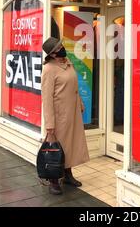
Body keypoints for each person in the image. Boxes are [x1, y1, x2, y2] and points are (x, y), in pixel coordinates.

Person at [41, 37, 90, 195]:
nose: (62, 47)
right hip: (59, 116)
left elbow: (74, 86)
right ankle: (53, 180)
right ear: (53, 53)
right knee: (58, 147)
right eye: (59, 46)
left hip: (72, 112)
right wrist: (49, 123)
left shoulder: (67, 62)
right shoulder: (49, 69)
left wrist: (80, 103)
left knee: (70, 145)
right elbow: (46, 98)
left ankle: (68, 175)